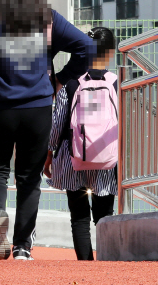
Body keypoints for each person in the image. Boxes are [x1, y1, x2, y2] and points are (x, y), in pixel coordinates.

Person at [0, 0, 95, 261]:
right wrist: (59, 79)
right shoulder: (45, 18)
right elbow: (87, 48)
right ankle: (23, 246)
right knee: (29, 177)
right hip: (37, 109)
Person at [45, 27, 118, 261]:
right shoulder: (118, 85)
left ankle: (85, 265)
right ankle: (107, 261)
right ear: (110, 53)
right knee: (104, 216)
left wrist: (49, 155)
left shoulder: (71, 85)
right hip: (107, 160)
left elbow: (57, 126)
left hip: (72, 158)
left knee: (79, 217)